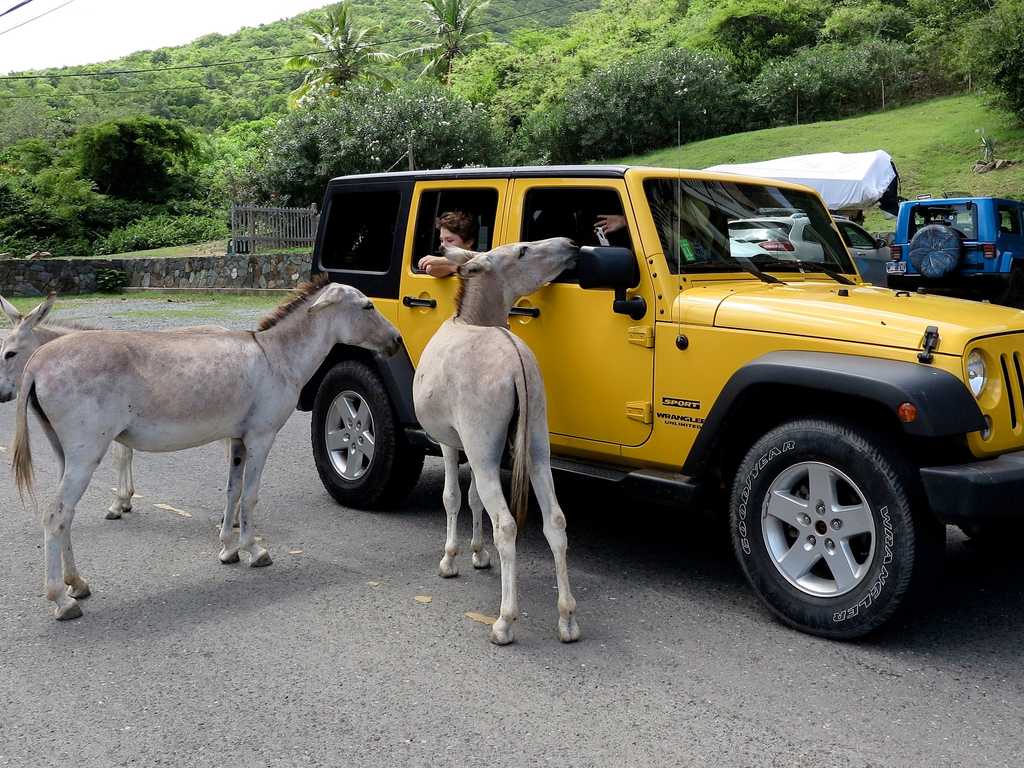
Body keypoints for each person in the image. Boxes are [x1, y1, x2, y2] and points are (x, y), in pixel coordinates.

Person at [417, 210, 478, 277]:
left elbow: (479, 260)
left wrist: (439, 260)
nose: (443, 245)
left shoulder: (483, 258)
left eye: (449, 240)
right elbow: (430, 269)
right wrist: (455, 266)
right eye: (442, 240)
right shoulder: (449, 263)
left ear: (468, 242)